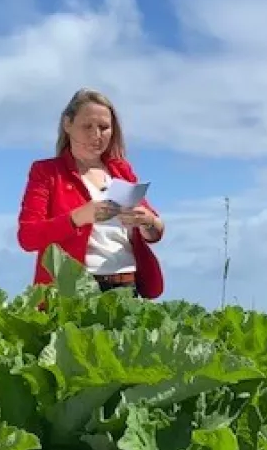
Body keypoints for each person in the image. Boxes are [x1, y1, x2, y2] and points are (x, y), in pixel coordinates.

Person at [16, 88, 166, 298]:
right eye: (87, 126)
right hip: (73, 291)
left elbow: (154, 231)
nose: (96, 135)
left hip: (126, 287)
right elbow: (27, 237)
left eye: (104, 127)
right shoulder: (46, 172)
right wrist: (78, 218)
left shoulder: (122, 170)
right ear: (67, 124)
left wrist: (148, 221)